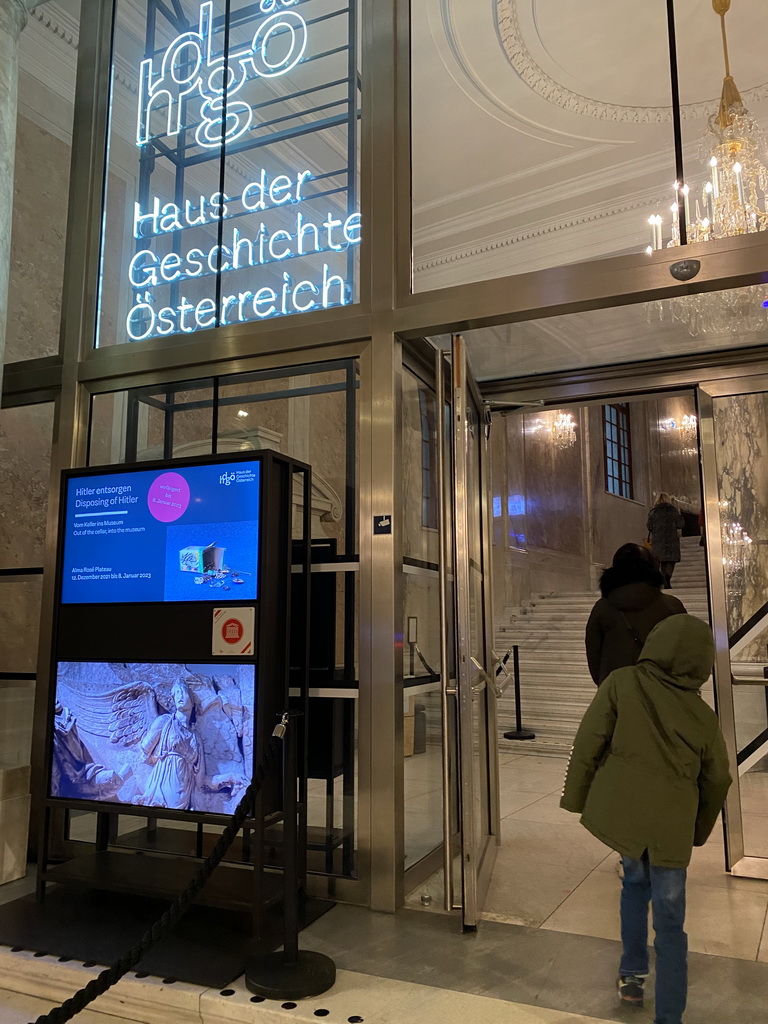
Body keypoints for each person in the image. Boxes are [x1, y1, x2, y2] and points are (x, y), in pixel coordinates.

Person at [561, 615, 732, 1024]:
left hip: (629, 819)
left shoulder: (622, 683)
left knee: (634, 887)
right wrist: (697, 831)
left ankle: (632, 975)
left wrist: (577, 797)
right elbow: (718, 779)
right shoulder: (702, 715)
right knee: (672, 920)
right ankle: (670, 1014)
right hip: (671, 828)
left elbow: (589, 741)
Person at [585, 543, 685, 686]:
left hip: (616, 690)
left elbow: (594, 653)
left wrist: (605, 684)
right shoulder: (672, 606)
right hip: (662, 690)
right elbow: (686, 649)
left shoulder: (602, 608)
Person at [647, 493, 685, 588]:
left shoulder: (654, 512)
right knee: (671, 561)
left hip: (658, 541)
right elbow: (680, 524)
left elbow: (649, 526)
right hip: (671, 540)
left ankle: (664, 577)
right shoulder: (673, 511)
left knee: (662, 561)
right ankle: (667, 577)